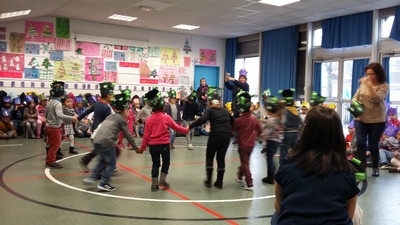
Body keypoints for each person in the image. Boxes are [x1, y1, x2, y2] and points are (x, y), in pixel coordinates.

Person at [271, 106, 360, 225]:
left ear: (306, 132)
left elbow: (279, 206)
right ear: (338, 134)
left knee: (276, 216)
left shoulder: (288, 165)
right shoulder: (346, 170)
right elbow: (349, 213)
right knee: (358, 213)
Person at [83, 93, 139, 192]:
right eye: (129, 111)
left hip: (97, 140)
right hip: (106, 142)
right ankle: (104, 183)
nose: (129, 113)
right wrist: (136, 148)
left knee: (102, 161)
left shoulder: (110, 116)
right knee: (111, 163)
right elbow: (128, 135)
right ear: (125, 111)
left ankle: (90, 178)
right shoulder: (121, 120)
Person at [138, 88, 189, 191]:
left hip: (153, 146)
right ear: (162, 107)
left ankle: (154, 184)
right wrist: (186, 130)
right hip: (164, 145)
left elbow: (146, 135)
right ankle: (162, 180)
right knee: (166, 162)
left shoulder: (149, 119)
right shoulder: (166, 117)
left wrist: (142, 147)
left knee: (155, 164)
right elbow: (177, 128)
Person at [189, 87, 234, 189]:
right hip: (226, 136)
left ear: (210, 102)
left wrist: (190, 126)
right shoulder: (225, 110)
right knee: (221, 158)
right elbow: (233, 121)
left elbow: (203, 119)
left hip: (216, 135)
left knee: (210, 157)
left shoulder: (210, 110)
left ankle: (209, 181)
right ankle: (219, 182)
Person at [352, 62, 389, 177]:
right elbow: (356, 96)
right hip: (361, 118)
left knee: (373, 145)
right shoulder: (363, 84)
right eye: (367, 74)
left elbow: (376, 99)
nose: (369, 77)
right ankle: (361, 167)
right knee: (360, 142)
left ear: (378, 74)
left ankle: (375, 167)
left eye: (372, 74)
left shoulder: (384, 86)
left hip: (376, 120)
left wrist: (368, 85)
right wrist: (354, 103)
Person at [78, 82, 115, 172]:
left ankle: (86, 160)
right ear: (107, 95)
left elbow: (88, 111)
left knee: (100, 148)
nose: (112, 95)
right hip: (102, 131)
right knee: (105, 149)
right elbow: (109, 120)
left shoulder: (98, 103)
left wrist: (79, 117)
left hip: (95, 129)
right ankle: (101, 168)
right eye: (111, 94)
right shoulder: (106, 107)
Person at [232, 90, 262, 191]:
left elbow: (232, 130)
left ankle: (250, 183)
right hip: (251, 144)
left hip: (243, 145)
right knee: (245, 161)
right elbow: (260, 129)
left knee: (245, 163)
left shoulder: (239, 120)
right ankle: (240, 175)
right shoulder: (254, 118)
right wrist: (255, 136)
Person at [45, 81, 78, 168]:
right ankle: (51, 161)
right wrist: (72, 118)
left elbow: (46, 113)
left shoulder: (50, 101)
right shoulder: (58, 103)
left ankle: (48, 159)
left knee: (50, 144)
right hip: (54, 127)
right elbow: (59, 115)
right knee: (55, 145)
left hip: (48, 126)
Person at [260, 96, 284, 184]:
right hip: (278, 140)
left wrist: (260, 135)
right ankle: (273, 174)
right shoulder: (279, 118)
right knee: (272, 158)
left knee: (269, 159)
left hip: (271, 141)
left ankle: (270, 177)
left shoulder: (271, 120)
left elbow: (266, 132)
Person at [279, 89, 302, 162]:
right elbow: (301, 122)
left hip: (287, 133)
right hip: (296, 134)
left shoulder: (284, 111)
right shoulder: (296, 111)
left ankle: (282, 165)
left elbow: (282, 122)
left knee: (284, 150)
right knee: (295, 151)